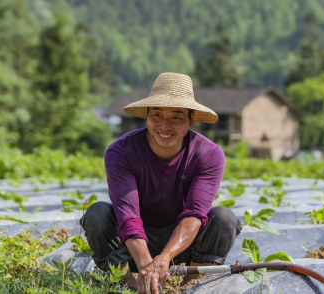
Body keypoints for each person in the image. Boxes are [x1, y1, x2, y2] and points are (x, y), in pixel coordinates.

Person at [81, 72, 242, 294]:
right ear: (146, 115)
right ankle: (126, 282)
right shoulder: (121, 152)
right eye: (157, 115)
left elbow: (194, 215)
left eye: (176, 117)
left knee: (224, 219)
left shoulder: (208, 154)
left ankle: (191, 284)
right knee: (97, 214)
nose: (165, 126)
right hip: (134, 246)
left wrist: (165, 258)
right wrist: (148, 267)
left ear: (191, 119)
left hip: (183, 246)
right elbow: (127, 215)